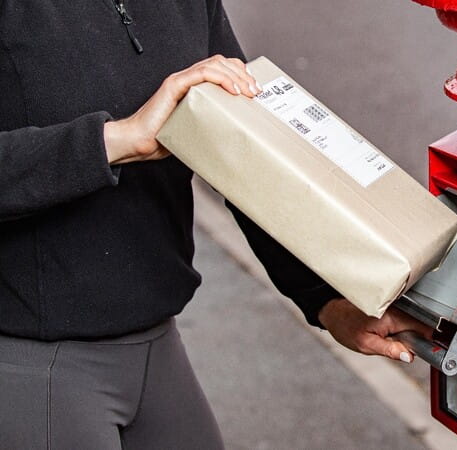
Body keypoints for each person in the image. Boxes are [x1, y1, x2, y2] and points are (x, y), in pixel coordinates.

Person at [0, 1, 431, 448]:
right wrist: (115, 140)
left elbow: (243, 151)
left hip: (158, 342)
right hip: (38, 362)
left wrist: (325, 300)